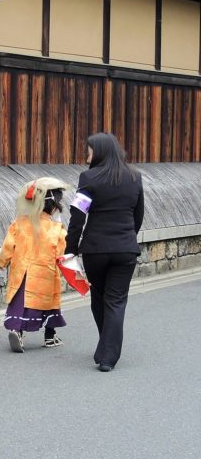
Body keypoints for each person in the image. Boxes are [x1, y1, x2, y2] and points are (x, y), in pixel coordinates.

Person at [64, 132, 145, 372]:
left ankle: (106, 349)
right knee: (117, 301)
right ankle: (108, 354)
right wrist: (127, 237)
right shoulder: (135, 177)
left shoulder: (88, 178)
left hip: (95, 250)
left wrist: (71, 250)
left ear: (98, 152)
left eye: (87, 152)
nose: (85, 157)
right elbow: (138, 214)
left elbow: (78, 216)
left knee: (99, 297)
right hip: (125, 249)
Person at [0, 178, 70, 353]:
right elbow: (62, 255)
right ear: (53, 206)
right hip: (45, 276)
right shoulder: (56, 229)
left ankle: (17, 331)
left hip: (22, 273)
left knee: (21, 305)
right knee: (50, 304)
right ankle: (50, 336)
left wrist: (1, 262)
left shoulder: (20, 223)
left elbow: (8, 246)